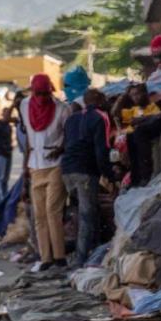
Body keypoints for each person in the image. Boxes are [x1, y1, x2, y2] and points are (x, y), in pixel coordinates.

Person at [20, 73, 71, 270]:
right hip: (35, 165)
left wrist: (61, 148)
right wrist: (25, 168)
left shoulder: (61, 109)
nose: (42, 98)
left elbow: (69, 136)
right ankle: (45, 258)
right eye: (38, 94)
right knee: (39, 215)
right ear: (33, 92)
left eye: (45, 94)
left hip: (55, 164)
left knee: (53, 211)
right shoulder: (24, 106)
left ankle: (59, 256)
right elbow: (28, 141)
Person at [60, 88, 113, 267]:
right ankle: (81, 260)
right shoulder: (100, 117)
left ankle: (94, 250)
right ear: (97, 100)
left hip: (67, 170)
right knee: (86, 215)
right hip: (84, 171)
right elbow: (101, 150)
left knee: (86, 212)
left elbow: (66, 143)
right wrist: (109, 175)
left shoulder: (72, 118)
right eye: (104, 99)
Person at [0, 107, 16, 204]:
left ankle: (4, 200)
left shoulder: (8, 126)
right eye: (6, 113)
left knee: (5, 178)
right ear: (3, 114)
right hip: (0, 154)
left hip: (8, 153)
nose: (8, 115)